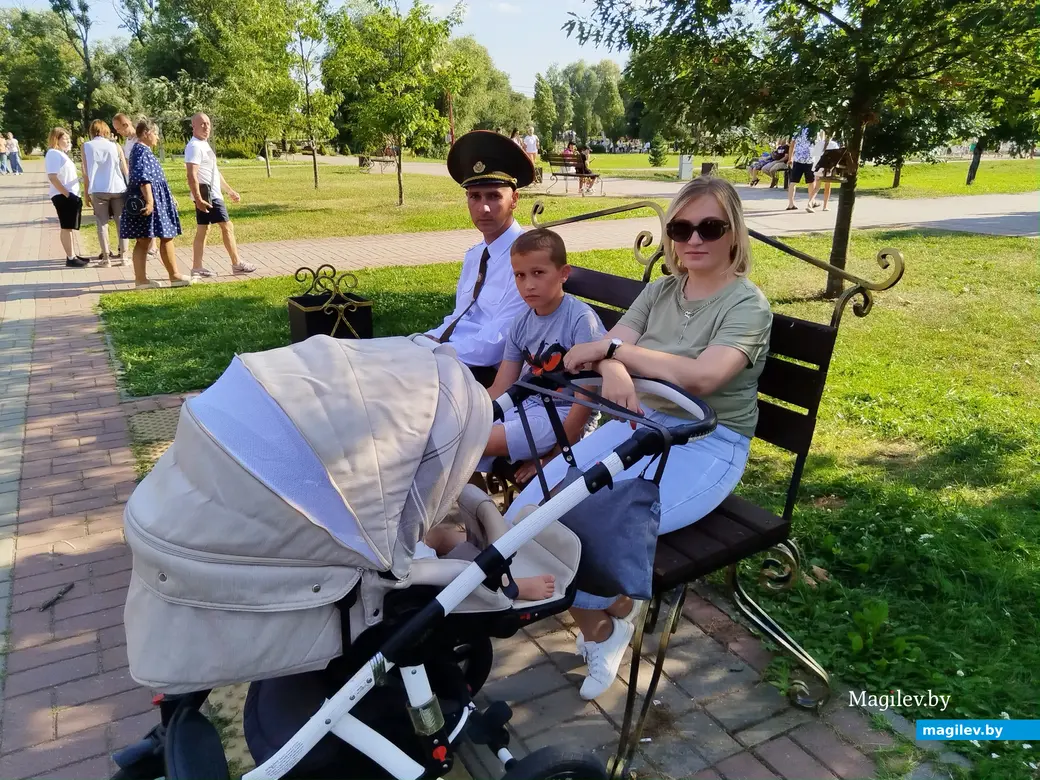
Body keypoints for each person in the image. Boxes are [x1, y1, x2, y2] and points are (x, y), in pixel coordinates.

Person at [505, 177, 772, 701]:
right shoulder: (660, 291)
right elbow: (601, 348)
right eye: (680, 227)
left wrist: (616, 358)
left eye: (710, 227)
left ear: (734, 233)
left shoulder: (747, 307)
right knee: (524, 513)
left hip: (707, 445)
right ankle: (614, 618)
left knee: (581, 529)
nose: (693, 239)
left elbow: (699, 379)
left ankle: (603, 624)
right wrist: (613, 359)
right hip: (640, 426)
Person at [480, 229, 605, 478]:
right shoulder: (521, 323)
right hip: (525, 405)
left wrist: (558, 453)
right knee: (457, 431)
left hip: (561, 415)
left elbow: (585, 399)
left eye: (538, 273)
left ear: (563, 274)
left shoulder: (581, 320)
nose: (528, 284)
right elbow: (501, 387)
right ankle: (479, 513)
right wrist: (466, 410)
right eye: (519, 275)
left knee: (464, 441)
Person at [426, 130, 536, 387]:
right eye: (474, 196)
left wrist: (433, 354)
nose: (483, 208)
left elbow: (499, 341)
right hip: (452, 357)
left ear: (514, 200)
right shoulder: (476, 255)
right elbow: (460, 317)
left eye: (494, 196)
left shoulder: (528, 262)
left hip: (484, 376)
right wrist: (423, 340)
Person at [120, 118, 193, 289]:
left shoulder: (141, 150)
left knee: (146, 239)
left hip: (154, 199)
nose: (157, 138)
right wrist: (151, 202)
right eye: (156, 134)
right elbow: (144, 178)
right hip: (149, 201)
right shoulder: (141, 151)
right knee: (162, 237)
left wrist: (169, 196)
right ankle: (173, 276)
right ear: (146, 133)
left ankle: (143, 280)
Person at [185, 112, 255, 278]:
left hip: (212, 195)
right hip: (209, 197)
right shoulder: (194, 146)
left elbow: (214, 172)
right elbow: (191, 175)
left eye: (208, 123)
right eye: (202, 124)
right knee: (227, 226)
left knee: (204, 229)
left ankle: (197, 268)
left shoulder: (204, 145)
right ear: (193, 126)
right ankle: (237, 263)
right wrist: (198, 198)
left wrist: (229, 190)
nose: (206, 127)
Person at [417, 519, 556, 601]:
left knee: (435, 535)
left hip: (403, 546)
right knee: (444, 575)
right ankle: (511, 587)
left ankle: (484, 548)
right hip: (413, 572)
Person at [82, 119, 129, 266]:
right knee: (121, 221)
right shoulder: (114, 146)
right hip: (117, 187)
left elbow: (85, 172)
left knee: (102, 223)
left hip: (98, 188)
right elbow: (124, 169)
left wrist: (86, 192)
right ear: (106, 131)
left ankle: (106, 258)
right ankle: (124, 256)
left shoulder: (86, 146)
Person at [45, 128, 91, 268]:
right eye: (64, 138)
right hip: (62, 196)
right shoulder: (53, 154)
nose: (68, 141)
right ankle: (70, 258)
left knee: (69, 227)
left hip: (68, 194)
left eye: (68, 139)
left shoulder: (61, 154)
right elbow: (53, 177)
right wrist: (67, 194)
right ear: (56, 139)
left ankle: (73, 254)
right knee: (66, 227)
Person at [113, 114, 154, 256]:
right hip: (132, 182)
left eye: (119, 128)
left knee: (147, 211)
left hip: (142, 180)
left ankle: (151, 246)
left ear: (126, 124)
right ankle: (144, 244)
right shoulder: (128, 141)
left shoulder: (139, 139)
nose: (118, 131)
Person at [785, 126, 816, 212]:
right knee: (811, 182)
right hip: (810, 159)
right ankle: (810, 202)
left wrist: (790, 158)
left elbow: (792, 144)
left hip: (798, 158)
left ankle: (791, 204)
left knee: (793, 182)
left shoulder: (797, 129)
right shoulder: (815, 128)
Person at [808, 136, 840, 211]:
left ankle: (810, 202)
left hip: (818, 166)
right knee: (827, 187)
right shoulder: (834, 144)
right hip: (828, 167)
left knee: (817, 187)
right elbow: (836, 156)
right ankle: (825, 206)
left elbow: (813, 154)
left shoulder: (819, 143)